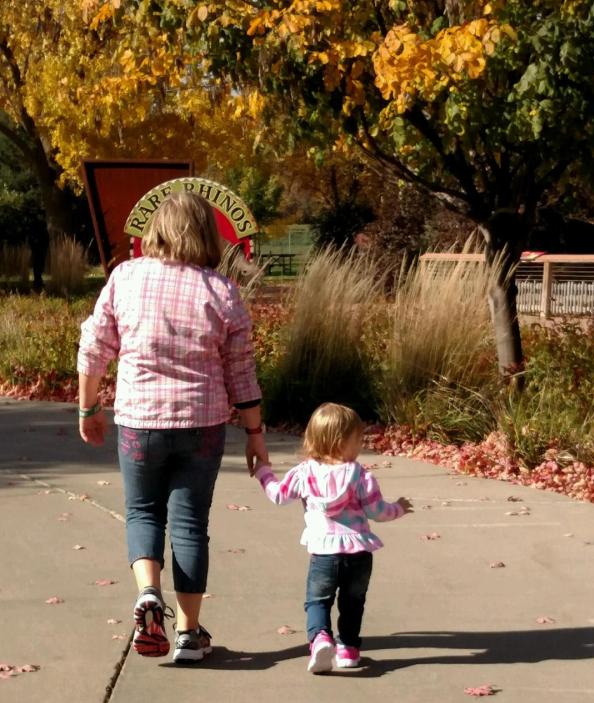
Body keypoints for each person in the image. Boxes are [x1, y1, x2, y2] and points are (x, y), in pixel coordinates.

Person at [77, 192, 268, 663]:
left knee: (142, 511)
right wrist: (255, 434)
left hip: (139, 422)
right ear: (206, 235)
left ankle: (148, 592)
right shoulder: (222, 291)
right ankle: (187, 634)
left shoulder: (125, 278)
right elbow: (241, 370)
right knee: (190, 523)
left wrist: (88, 407)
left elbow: (94, 346)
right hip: (202, 424)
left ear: (156, 230)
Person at [255, 402, 412, 673]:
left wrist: (263, 473)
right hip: (359, 554)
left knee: (317, 601)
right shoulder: (361, 475)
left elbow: (279, 495)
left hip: (324, 554)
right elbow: (377, 512)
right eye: (358, 440)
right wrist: (398, 508)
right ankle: (348, 649)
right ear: (341, 442)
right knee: (353, 603)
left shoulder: (304, 473)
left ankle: (320, 639)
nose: (361, 445)